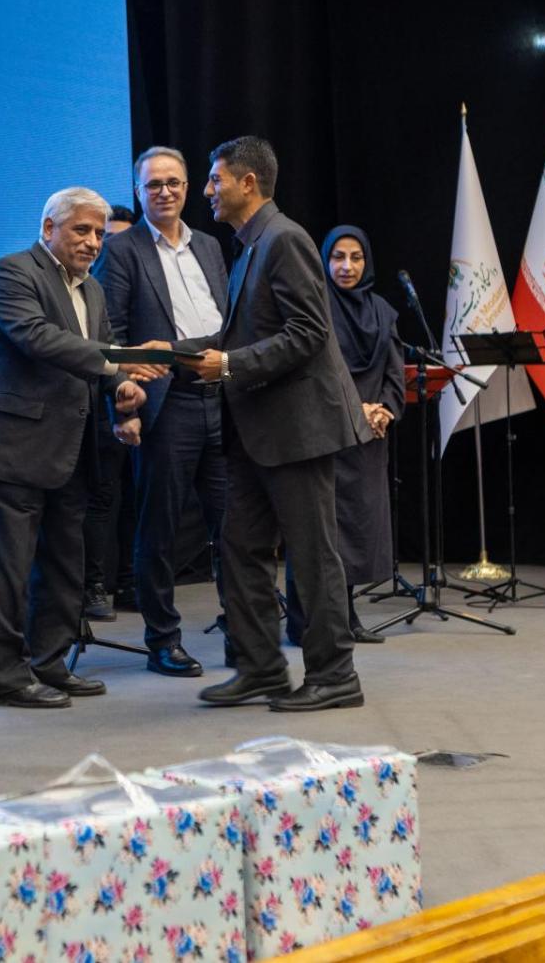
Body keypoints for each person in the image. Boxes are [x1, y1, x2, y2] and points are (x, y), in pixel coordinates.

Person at [150, 135, 370, 713]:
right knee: (239, 548)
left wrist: (228, 366)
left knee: (312, 556)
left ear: (248, 183)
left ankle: (335, 675)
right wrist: (174, 350)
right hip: (256, 432)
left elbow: (308, 333)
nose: (206, 190)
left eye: (215, 179)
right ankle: (261, 668)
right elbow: (239, 336)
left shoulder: (284, 239)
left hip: (298, 430)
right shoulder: (250, 245)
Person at [0, 188, 160, 708]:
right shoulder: (12, 272)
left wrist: (122, 387)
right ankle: (7, 676)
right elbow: (38, 338)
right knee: (8, 573)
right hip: (13, 448)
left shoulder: (92, 290)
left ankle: (49, 664)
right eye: (82, 230)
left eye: (98, 233)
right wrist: (120, 360)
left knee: (62, 567)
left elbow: (99, 361)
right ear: (49, 227)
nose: (93, 242)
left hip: (71, 450)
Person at [92, 148, 230, 677]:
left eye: (173, 182)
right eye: (153, 185)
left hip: (220, 399)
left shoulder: (210, 246)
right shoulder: (121, 249)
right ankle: (163, 640)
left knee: (234, 526)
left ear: (189, 187)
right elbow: (110, 334)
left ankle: (242, 629)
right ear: (138, 191)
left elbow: (227, 323)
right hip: (164, 405)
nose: (165, 192)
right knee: (160, 530)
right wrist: (122, 403)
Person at [284, 227, 403, 646]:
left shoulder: (382, 312)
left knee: (355, 532)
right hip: (326, 432)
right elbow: (313, 371)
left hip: (369, 437)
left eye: (356, 257)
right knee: (319, 530)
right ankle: (302, 621)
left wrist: (385, 408)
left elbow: (394, 372)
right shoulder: (315, 308)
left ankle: (346, 616)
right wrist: (356, 410)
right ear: (324, 261)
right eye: (337, 257)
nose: (347, 266)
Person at [80, 203, 141, 624]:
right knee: (101, 497)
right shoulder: (89, 286)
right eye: (107, 238)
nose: (106, 247)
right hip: (98, 404)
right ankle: (94, 586)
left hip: (139, 396)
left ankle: (132, 581)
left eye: (117, 239)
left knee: (137, 497)